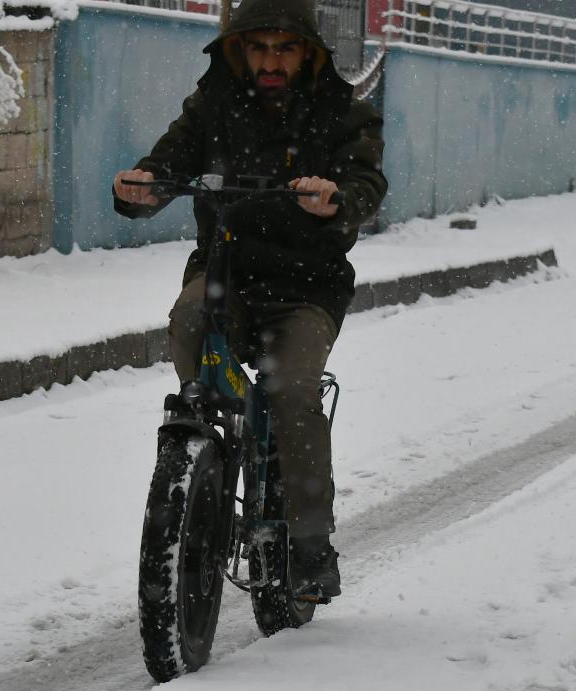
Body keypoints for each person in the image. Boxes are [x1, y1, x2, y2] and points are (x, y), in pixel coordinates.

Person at [111, 0, 387, 599]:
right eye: (258, 48)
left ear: (307, 52)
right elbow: (172, 158)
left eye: (284, 49)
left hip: (305, 285)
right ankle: (210, 435)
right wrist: (144, 185)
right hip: (226, 270)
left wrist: (335, 197)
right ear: (239, 50)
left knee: (291, 390)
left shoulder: (343, 111)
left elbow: (367, 182)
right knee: (188, 322)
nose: (270, 62)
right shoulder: (215, 101)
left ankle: (311, 543)